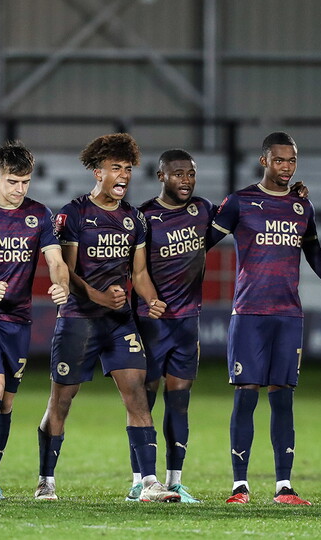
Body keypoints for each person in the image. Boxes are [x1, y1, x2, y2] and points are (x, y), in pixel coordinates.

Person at [36, 133, 178, 502]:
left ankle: (148, 482)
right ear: (98, 172)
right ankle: (46, 480)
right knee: (61, 402)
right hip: (79, 320)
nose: (124, 175)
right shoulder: (75, 213)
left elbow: (141, 273)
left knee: (137, 396)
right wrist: (100, 295)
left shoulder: (134, 220)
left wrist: (151, 299)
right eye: (116, 168)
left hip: (120, 323)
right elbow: (66, 271)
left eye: (128, 169)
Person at [209, 132, 321, 505]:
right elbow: (202, 243)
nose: (286, 167)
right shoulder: (240, 202)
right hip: (250, 312)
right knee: (246, 396)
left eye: (292, 161)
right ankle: (240, 486)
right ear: (263, 160)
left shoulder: (302, 207)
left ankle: (284, 486)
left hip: (288, 315)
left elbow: (315, 256)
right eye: (280, 160)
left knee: (283, 399)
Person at [0, 141, 70, 501]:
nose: (19, 189)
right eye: (12, 181)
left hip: (18, 320)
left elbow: (56, 260)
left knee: (6, 402)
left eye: (25, 182)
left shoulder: (40, 215)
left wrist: (61, 284)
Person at [124, 149, 213, 503]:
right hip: (151, 323)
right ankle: (139, 480)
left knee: (179, 403)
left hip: (187, 323)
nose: (186, 180)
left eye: (190, 173)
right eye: (178, 174)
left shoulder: (203, 210)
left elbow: (243, 216)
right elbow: (134, 267)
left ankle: (175, 481)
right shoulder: (144, 216)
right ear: (161, 176)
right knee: (143, 402)